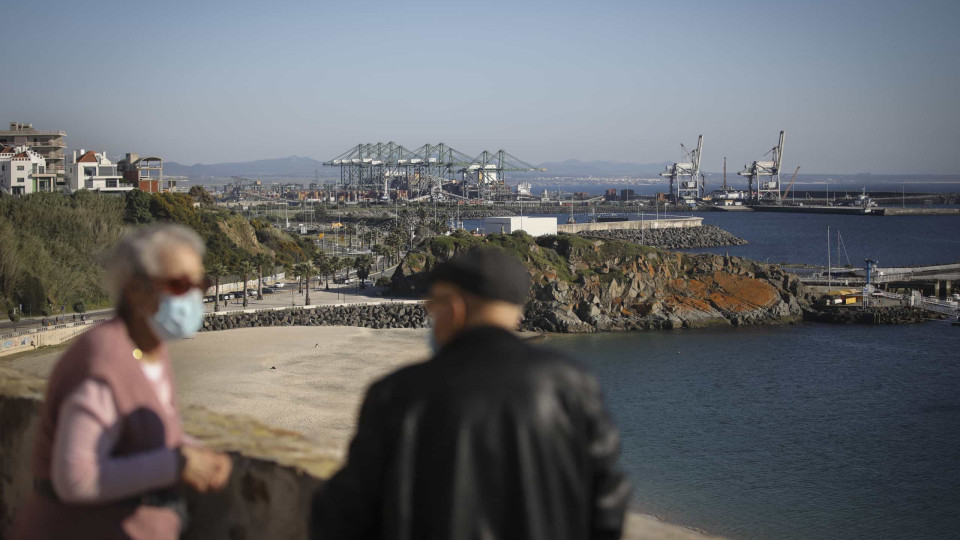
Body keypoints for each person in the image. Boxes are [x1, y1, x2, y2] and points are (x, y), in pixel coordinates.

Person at [311, 246, 630, 540]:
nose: (431, 315)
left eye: (433, 305)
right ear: (516, 312)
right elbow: (607, 500)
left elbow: (344, 512)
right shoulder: (573, 385)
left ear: (454, 308)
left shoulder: (398, 393)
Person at [12, 224, 232, 540]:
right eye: (181, 285)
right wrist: (176, 464)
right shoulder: (102, 363)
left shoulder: (149, 348)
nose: (195, 297)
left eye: (202, 285)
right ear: (136, 290)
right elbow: (76, 478)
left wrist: (196, 453)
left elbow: (142, 438)